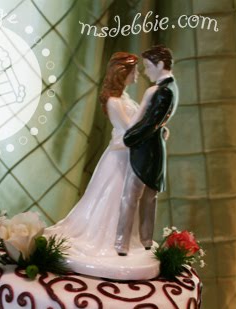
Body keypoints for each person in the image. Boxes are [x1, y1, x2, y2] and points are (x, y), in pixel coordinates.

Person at [46, 52, 151, 260]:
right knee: (114, 196)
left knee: (126, 197)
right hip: (120, 156)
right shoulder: (114, 102)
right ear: (123, 73)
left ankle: (124, 239)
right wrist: (149, 114)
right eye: (134, 71)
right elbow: (129, 129)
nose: (137, 74)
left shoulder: (125, 98)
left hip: (129, 155)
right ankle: (110, 238)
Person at [115, 45, 178, 256]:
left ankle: (123, 242)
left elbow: (150, 123)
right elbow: (157, 122)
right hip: (154, 148)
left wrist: (130, 138)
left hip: (145, 151)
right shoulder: (170, 88)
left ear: (160, 65)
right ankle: (145, 240)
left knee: (131, 196)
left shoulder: (161, 91)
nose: (145, 71)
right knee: (148, 198)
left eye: (148, 66)